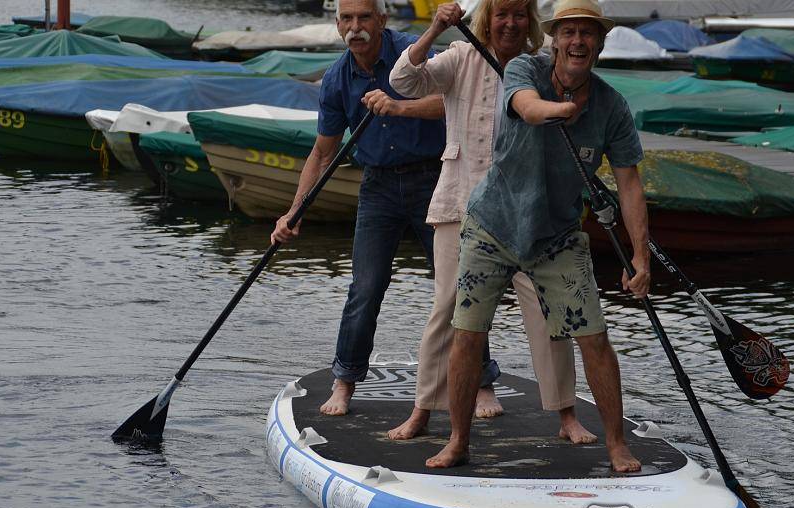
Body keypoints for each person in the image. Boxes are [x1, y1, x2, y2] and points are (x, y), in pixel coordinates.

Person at [425, 0, 649, 472]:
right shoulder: (524, 68)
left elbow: (629, 182)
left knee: (595, 338)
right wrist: (561, 108)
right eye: (568, 32)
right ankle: (459, 440)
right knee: (466, 334)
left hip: (557, 236)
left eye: (587, 33)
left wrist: (640, 256)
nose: (577, 41)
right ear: (554, 39)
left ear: (600, 43)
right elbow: (526, 109)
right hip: (491, 226)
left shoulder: (611, 106)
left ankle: (616, 444)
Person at [386, 0, 596, 444]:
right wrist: (435, 27)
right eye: (502, 14)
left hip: (524, 210)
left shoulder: (540, 67)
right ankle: (423, 408)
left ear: (530, 22)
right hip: (460, 202)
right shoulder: (462, 56)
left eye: (519, 14)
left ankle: (566, 415)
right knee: (446, 308)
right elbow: (403, 80)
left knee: (548, 311)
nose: (510, 22)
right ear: (487, 19)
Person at [270, 0, 448, 416]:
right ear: (337, 27)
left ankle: (480, 381)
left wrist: (399, 105)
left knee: (456, 286)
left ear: (382, 21)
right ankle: (345, 380)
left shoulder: (415, 52)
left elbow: (452, 100)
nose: (356, 28)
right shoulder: (336, 78)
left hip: (434, 181)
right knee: (365, 288)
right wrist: (293, 211)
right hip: (378, 188)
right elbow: (321, 152)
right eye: (346, 20)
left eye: (364, 17)